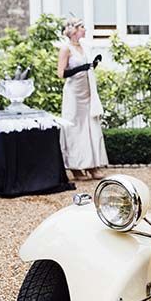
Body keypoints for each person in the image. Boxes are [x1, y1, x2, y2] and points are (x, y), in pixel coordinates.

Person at [58, 18, 108, 181]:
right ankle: (75, 168)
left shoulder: (83, 47)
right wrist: (82, 68)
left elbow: (87, 68)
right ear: (74, 30)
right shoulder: (66, 49)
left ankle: (92, 165)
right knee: (75, 128)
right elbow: (61, 74)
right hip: (73, 94)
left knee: (90, 127)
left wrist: (93, 65)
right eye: (82, 27)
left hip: (86, 92)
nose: (85, 30)